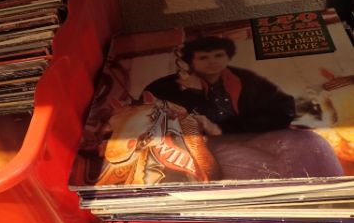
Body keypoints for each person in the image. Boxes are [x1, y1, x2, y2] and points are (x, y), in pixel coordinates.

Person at [143, 36, 344, 180]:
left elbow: (284, 108)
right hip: (207, 148)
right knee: (277, 169)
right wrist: (194, 101)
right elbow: (147, 121)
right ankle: (313, 216)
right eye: (203, 58)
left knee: (310, 141)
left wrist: (232, 127)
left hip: (250, 135)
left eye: (218, 55)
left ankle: (339, 205)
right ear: (189, 61)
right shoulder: (164, 87)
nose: (212, 62)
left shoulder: (243, 79)